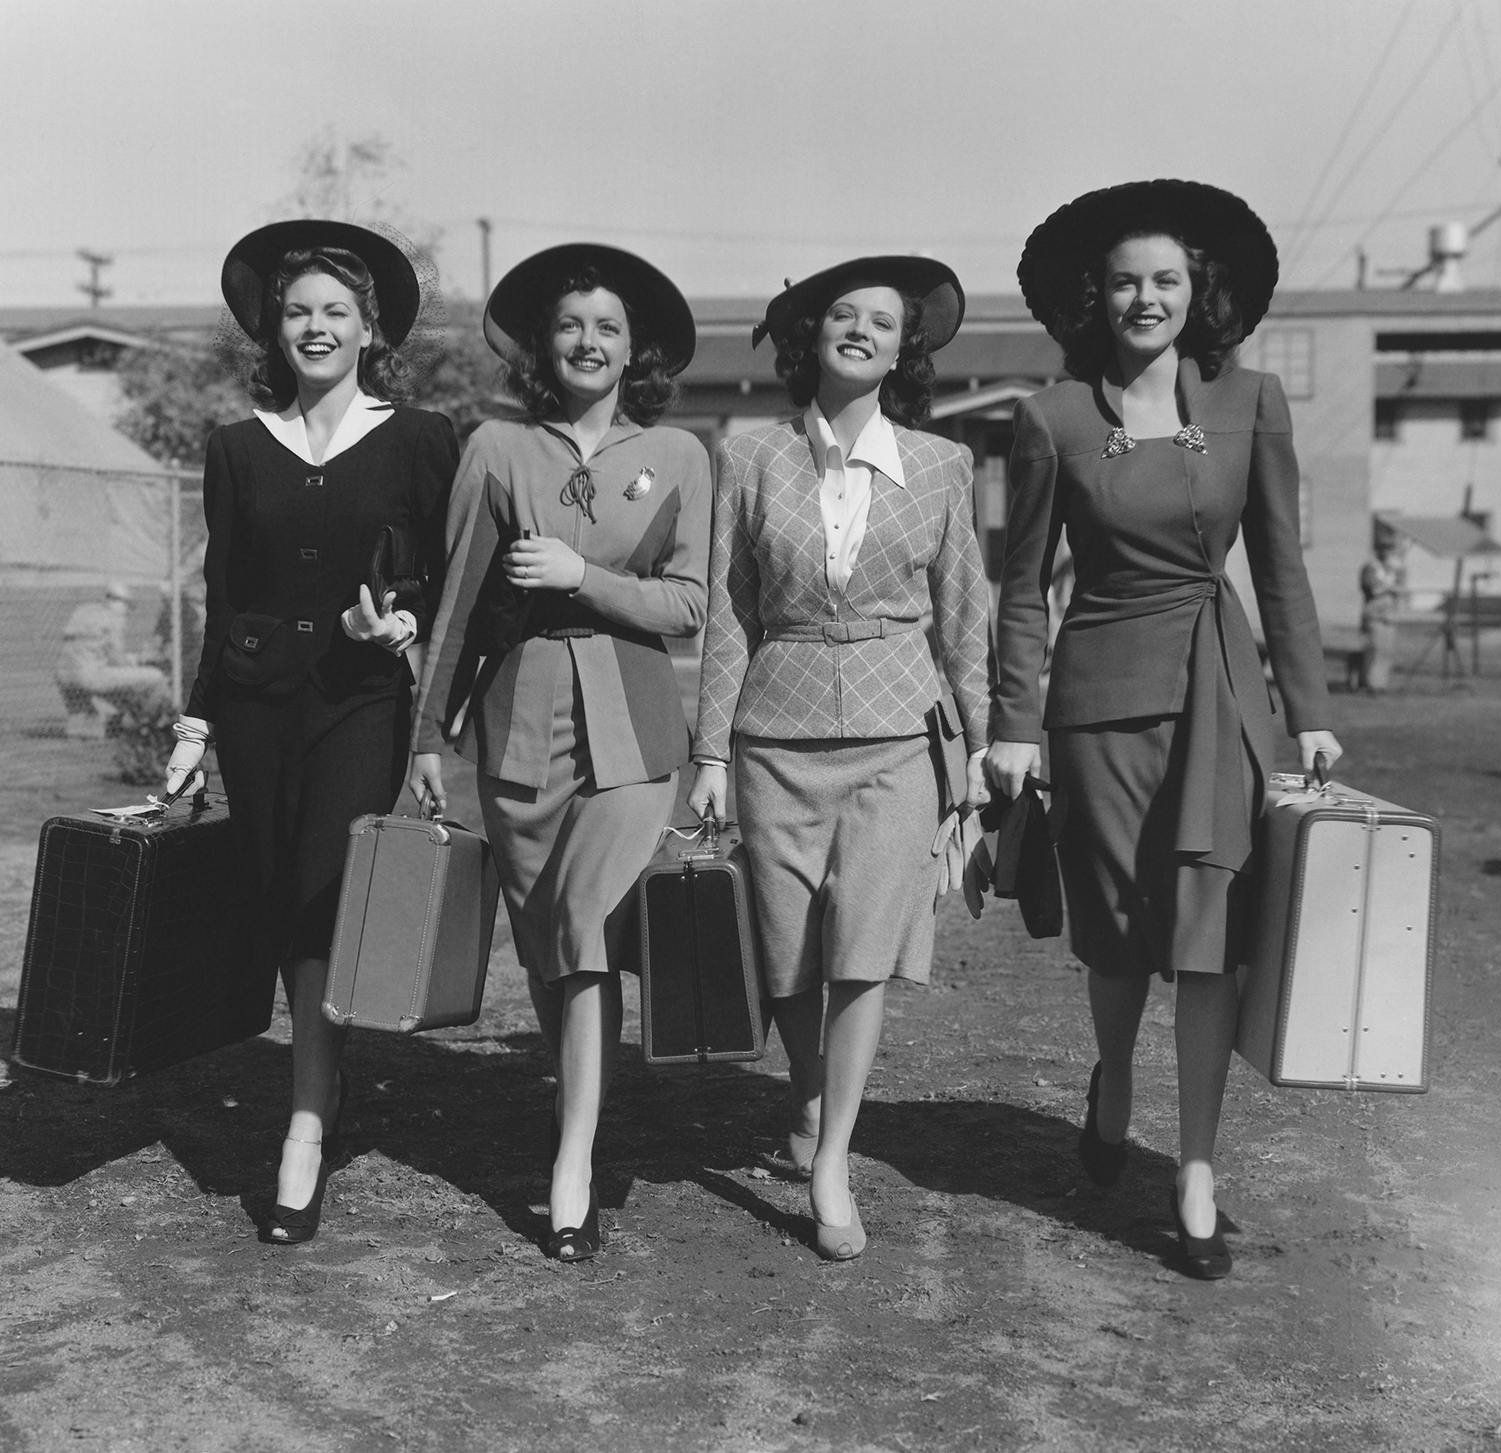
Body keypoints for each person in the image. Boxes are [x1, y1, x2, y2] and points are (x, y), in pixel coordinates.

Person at [988, 182, 1343, 1279]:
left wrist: (1311, 711)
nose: (1147, 298)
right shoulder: (1051, 418)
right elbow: (1019, 591)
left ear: (1200, 294)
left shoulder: (1252, 401)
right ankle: (1112, 1073)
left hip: (1217, 698)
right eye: (1128, 281)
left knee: (1209, 939)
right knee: (1116, 935)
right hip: (1097, 708)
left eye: (1168, 281)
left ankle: (1192, 1167)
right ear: (1098, 295)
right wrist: (1013, 724)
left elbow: (1278, 568)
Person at [688, 256, 993, 1262]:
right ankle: (808, 1093)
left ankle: (831, 1157)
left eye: (882, 322)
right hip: (773, 733)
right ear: (809, 335)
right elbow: (730, 610)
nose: (860, 330)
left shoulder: (944, 466)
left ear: (906, 350)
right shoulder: (749, 454)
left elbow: (963, 617)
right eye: (842, 316)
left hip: (899, 732)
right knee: (784, 947)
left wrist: (980, 751)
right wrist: (709, 748)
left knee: (864, 944)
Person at [164, 219, 460, 1245]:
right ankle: (327, 1080)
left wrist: (407, 621)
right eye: (298, 311)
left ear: (371, 329)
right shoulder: (239, 446)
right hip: (255, 704)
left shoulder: (421, 439)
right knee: (279, 896)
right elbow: (222, 588)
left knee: (331, 893)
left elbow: (440, 571)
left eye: (337, 311)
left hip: (358, 700)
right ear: (272, 327)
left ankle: (301, 1127)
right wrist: (197, 719)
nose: (316, 327)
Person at [411, 244, 708, 1262]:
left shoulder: (677, 457)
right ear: (546, 344)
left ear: (637, 351)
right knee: (546, 944)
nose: (590, 341)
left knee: (587, 925)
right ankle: (573, 1098)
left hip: (631, 726)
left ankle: (573, 1161)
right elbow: (454, 607)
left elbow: (691, 602)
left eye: (609, 327)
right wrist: (426, 736)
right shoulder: (495, 452)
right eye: (573, 325)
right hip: (516, 726)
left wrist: (584, 573)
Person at [56, 582, 168, 737]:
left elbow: (92, 650)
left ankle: (85, 730)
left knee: (86, 726)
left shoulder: (84, 611)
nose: (127, 612)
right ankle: (147, 724)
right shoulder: (114, 618)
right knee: (156, 677)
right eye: (128, 606)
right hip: (89, 676)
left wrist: (133, 659)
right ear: (122, 603)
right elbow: (116, 659)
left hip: (63, 675)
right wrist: (138, 662)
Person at [1358, 533, 1407, 691]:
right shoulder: (1370, 568)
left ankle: (1381, 683)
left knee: (1388, 651)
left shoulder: (1395, 568)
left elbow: (1401, 589)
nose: (1386, 552)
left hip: (1390, 615)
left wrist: (1389, 585)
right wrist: (1388, 585)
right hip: (1374, 615)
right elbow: (1373, 589)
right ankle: (1371, 683)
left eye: (1389, 549)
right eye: (1383, 549)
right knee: (1375, 650)